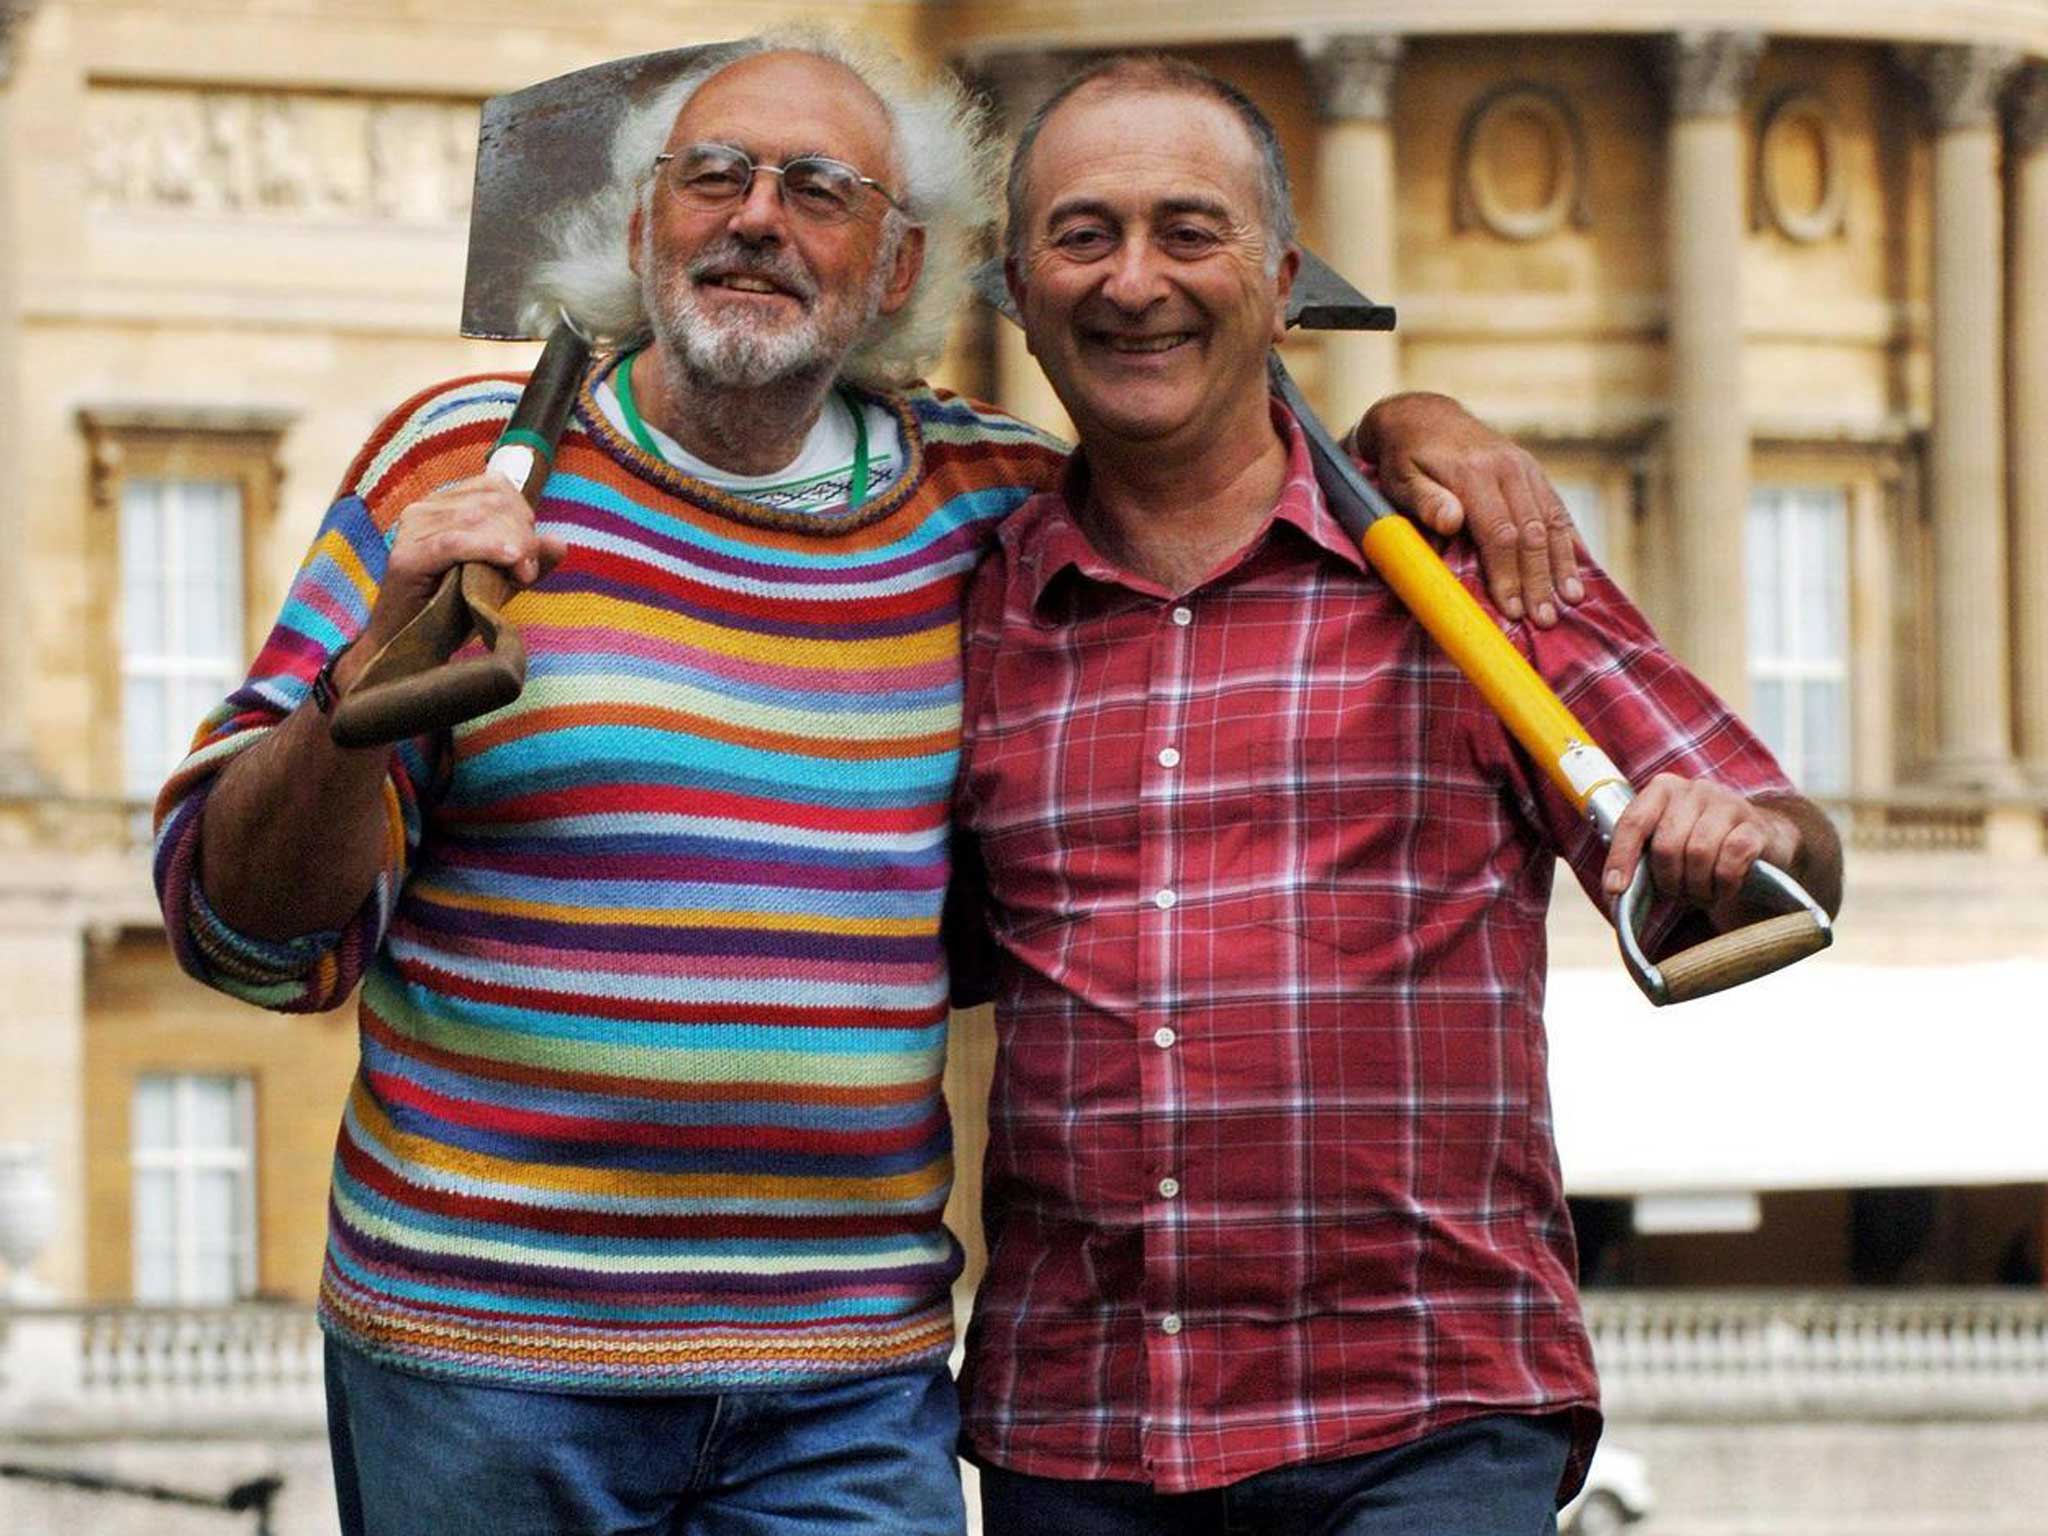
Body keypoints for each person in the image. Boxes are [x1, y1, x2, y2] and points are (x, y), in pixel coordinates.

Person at [153, 28, 1587, 1536]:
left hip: (847, 1393)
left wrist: (1407, 428)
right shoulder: (463, 464)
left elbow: (1214, 450)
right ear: (640, 228)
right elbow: (239, 929)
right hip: (484, 1371)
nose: (758, 216)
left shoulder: (991, 505)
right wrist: (362, 690)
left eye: (820, 190)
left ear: (899, 271)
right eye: (713, 176)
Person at [950, 53, 1845, 1536]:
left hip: (1421, 1412)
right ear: (1017, 289)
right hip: (1081, 1421)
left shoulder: (1472, 576)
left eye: (1189, 230)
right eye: (1082, 235)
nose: (1133, 282)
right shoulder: (979, 602)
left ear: (1285, 277)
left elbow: (1785, 854)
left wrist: (1735, 843)